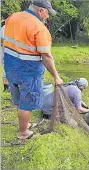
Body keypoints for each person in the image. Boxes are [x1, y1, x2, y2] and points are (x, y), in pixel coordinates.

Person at [3, 0, 63, 140]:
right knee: (27, 102)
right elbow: (46, 56)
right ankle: (23, 133)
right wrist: (56, 76)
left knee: (18, 99)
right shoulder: (39, 28)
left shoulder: (13, 17)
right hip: (28, 71)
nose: (48, 16)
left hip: (10, 67)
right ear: (41, 11)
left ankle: (25, 124)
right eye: (48, 13)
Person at [0, 24, 9, 92]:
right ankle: (6, 88)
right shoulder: (4, 27)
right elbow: (3, 42)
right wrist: (5, 53)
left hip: (10, 51)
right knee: (6, 70)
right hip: (5, 51)